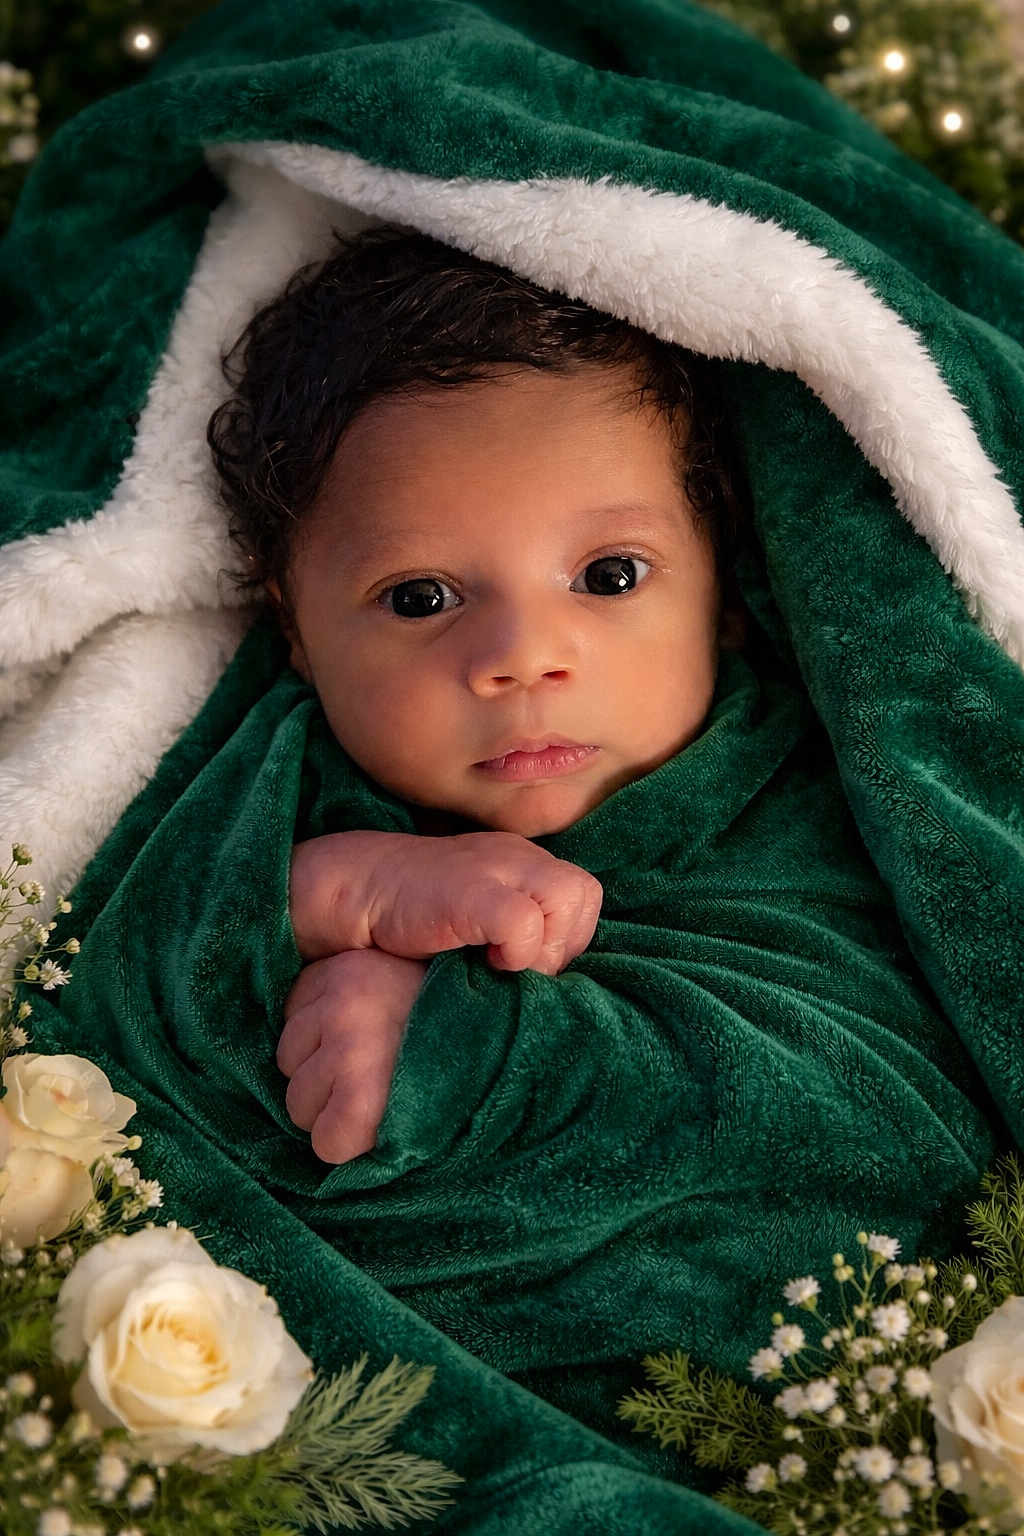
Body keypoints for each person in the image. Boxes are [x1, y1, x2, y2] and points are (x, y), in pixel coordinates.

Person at [207, 222, 751, 1165]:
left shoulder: (797, 799)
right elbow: (111, 955)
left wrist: (458, 1045)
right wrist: (334, 893)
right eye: (422, 599)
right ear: (295, 627)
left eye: (611, 575)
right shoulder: (267, 772)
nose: (523, 657)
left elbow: (852, 1094)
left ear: (727, 590)